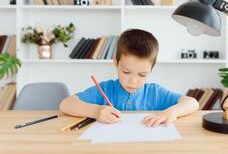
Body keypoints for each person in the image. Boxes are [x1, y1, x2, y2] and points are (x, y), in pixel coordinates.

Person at [60, 29, 199, 127]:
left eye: (142, 74)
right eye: (126, 72)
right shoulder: (105, 89)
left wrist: (172, 112)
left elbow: (192, 102)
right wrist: (96, 111)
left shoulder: (155, 93)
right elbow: (66, 104)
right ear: (116, 63)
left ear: (151, 69)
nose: (133, 81)